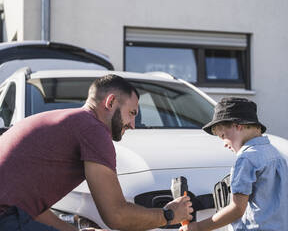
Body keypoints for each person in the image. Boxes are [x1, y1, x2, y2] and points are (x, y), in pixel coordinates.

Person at [0, 74, 193, 231]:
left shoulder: (64, 121)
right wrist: (168, 215)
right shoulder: (93, 130)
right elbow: (117, 216)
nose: (133, 125)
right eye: (132, 113)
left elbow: (32, 209)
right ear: (110, 102)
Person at [180, 97, 288, 231]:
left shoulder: (246, 159)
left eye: (223, 136)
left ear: (238, 126)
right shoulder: (276, 154)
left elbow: (237, 209)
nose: (224, 144)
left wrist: (197, 227)